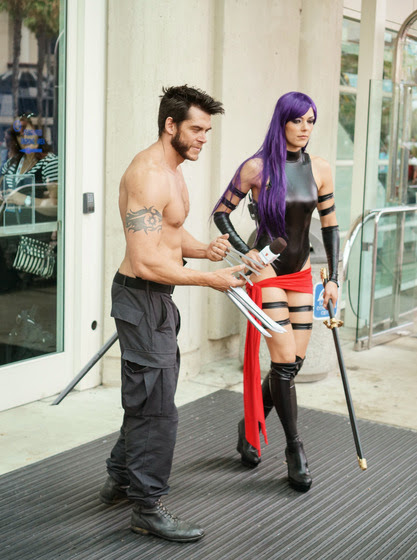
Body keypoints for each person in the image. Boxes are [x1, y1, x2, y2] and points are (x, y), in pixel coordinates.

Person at [98, 85, 245, 543]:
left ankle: (120, 477)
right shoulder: (147, 174)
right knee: (157, 409)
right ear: (170, 125)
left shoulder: (174, 171)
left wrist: (204, 251)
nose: (203, 138)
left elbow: (170, 234)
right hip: (142, 295)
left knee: (150, 397)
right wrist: (211, 280)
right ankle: (147, 508)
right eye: (196, 129)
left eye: (207, 130)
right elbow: (145, 260)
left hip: (157, 299)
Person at [212, 91, 339, 493]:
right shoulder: (257, 168)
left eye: (310, 121)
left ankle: (249, 427)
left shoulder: (320, 168)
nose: (305, 128)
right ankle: (294, 449)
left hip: (301, 272)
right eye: (297, 120)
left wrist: (334, 278)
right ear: (282, 121)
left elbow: (330, 225)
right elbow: (221, 212)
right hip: (267, 270)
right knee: (283, 361)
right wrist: (244, 250)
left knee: (292, 365)